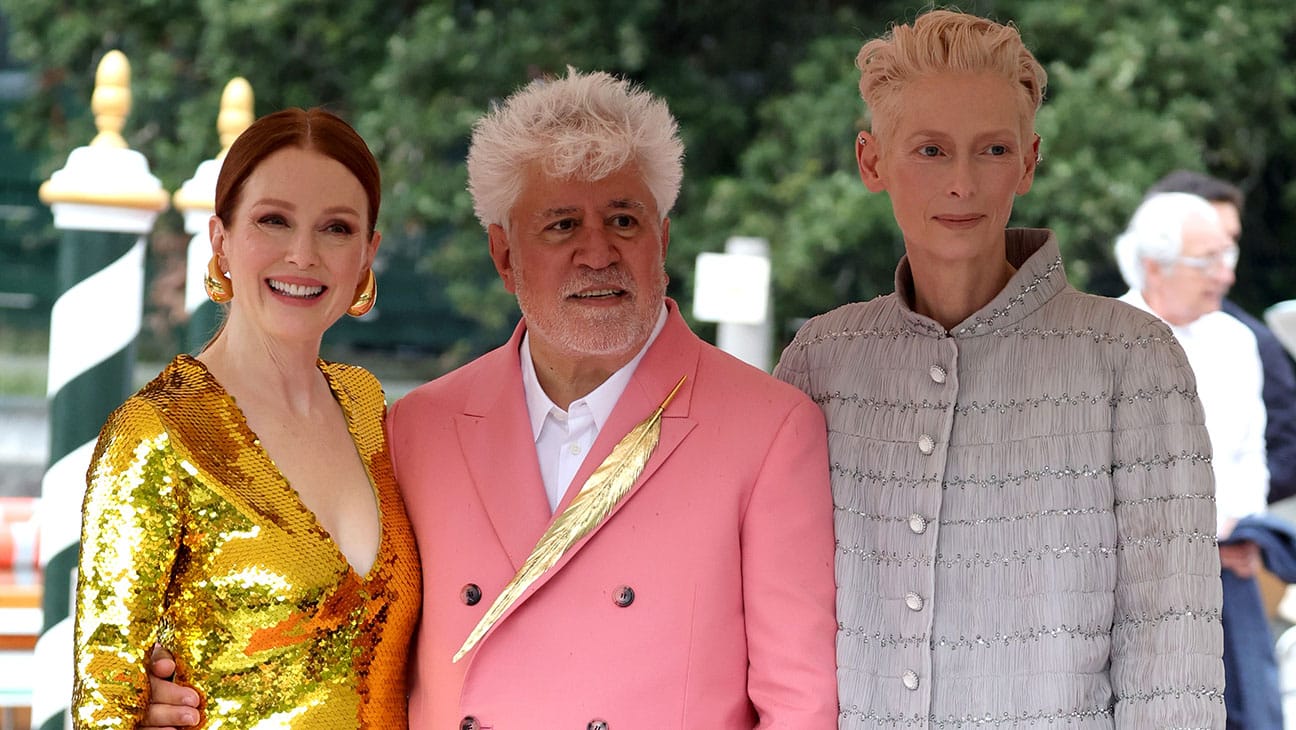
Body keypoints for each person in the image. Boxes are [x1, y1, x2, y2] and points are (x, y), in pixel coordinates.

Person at [143, 68, 838, 729]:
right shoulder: (419, 427)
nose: (598, 253)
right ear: (504, 256)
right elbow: (343, 633)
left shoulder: (768, 431)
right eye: (562, 225)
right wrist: (185, 683)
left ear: (663, 236)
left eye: (624, 221)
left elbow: (799, 708)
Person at [774, 9, 1224, 728]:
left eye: (991, 150)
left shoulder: (1133, 361)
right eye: (929, 150)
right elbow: (776, 629)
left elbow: (1172, 649)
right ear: (871, 161)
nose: (962, 183)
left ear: (1029, 161)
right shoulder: (818, 363)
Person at [72, 107, 421, 728]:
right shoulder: (155, 433)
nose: (303, 253)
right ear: (221, 239)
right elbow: (104, 702)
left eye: (336, 228)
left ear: (369, 252)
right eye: (273, 220)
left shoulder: (367, 406)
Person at [1115, 191, 1279, 729]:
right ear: (1155, 266)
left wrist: (1244, 528)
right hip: (1145, 586)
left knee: (1256, 712)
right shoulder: (1106, 342)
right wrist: (1212, 532)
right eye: (1207, 261)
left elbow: (1251, 449)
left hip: (1233, 570)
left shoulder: (1236, 340)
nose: (1225, 275)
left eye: (1226, 257)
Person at [1146, 169, 1296, 505]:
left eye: (1230, 244)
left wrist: (1236, 526)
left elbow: (1280, 452)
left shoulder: (1246, 341)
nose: (1225, 265)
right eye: (1208, 248)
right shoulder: (1101, 337)